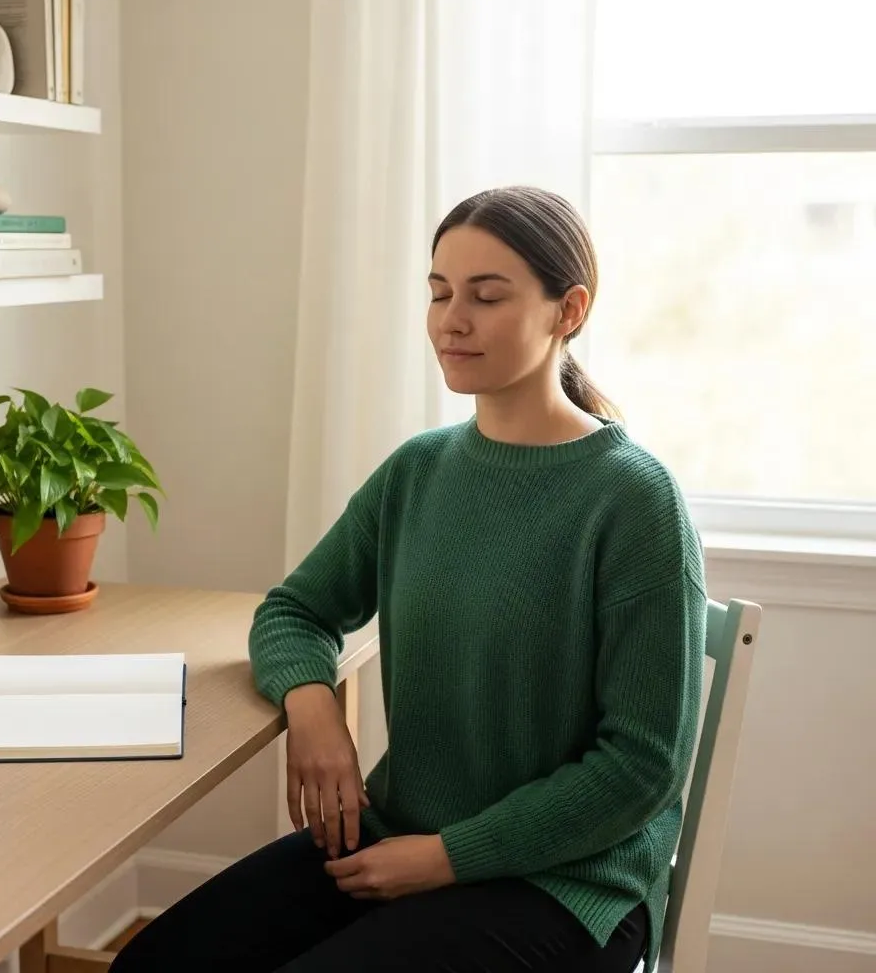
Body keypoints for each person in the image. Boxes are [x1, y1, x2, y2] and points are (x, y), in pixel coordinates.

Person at [110, 186, 706, 973]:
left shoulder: (634, 501)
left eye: (486, 297)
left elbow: (642, 765)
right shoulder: (419, 471)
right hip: (400, 835)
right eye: (438, 293)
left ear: (569, 311)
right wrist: (313, 709)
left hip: (567, 883)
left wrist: (448, 857)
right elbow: (294, 610)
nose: (451, 320)